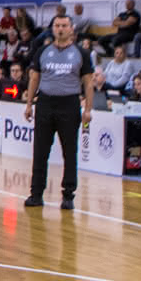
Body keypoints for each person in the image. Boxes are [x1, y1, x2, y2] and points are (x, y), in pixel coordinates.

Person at [22, 14, 94, 211]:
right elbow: (34, 78)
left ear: (71, 29)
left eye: (64, 25)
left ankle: (68, 194)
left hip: (69, 105)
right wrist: (29, 103)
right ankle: (36, 194)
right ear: (52, 29)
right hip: (45, 103)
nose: (60, 29)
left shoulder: (81, 53)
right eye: (57, 25)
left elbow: (88, 83)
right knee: (40, 152)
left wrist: (88, 109)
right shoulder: (43, 51)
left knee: (70, 152)